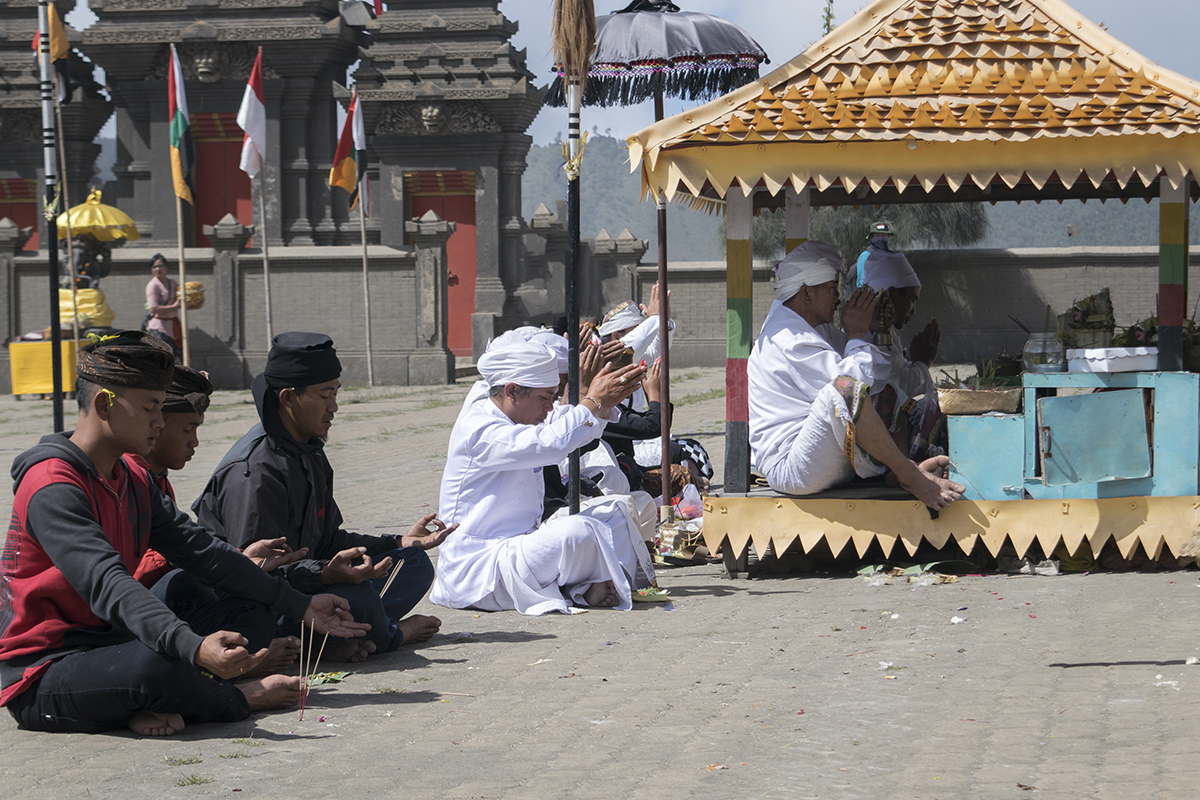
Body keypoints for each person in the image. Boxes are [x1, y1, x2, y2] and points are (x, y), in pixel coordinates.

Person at [0, 331, 368, 736]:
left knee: (246, 611)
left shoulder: (131, 478)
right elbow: (108, 583)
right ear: (105, 404)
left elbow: (203, 551)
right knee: (159, 664)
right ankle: (239, 697)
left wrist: (301, 605)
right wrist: (193, 647)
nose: (160, 421)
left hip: (111, 644)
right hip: (45, 670)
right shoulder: (52, 484)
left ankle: (154, 701)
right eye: (150, 407)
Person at [193, 332, 453, 663]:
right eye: (324, 395)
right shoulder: (255, 473)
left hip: (314, 582)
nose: (334, 406)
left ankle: (346, 635)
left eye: (335, 393)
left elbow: (329, 539)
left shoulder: (309, 450)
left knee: (413, 561)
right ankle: (390, 633)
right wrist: (326, 575)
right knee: (357, 600)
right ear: (288, 398)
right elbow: (257, 576)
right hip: (266, 604)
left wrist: (399, 540)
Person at [431, 339, 656, 615]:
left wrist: (604, 402)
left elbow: (567, 423)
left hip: (520, 549)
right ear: (512, 391)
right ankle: (586, 586)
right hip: (480, 569)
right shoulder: (479, 430)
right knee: (576, 532)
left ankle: (590, 585)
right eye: (545, 397)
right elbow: (550, 443)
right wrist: (593, 401)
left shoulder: (523, 417)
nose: (550, 407)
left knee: (616, 512)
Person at [747, 241, 963, 509]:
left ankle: (898, 470)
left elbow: (862, 367)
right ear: (806, 294)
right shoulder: (788, 337)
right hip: (793, 467)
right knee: (845, 391)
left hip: (819, 454)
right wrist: (857, 334)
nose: (838, 297)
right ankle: (911, 476)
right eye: (831, 289)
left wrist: (868, 330)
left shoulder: (813, 327)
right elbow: (851, 384)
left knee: (886, 391)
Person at [145, 253, 181, 357]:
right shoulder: (152, 285)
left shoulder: (173, 283)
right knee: (164, 357)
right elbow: (153, 308)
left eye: (160, 266)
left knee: (177, 357)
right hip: (159, 328)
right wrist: (174, 307)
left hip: (173, 326)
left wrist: (195, 304)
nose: (157, 269)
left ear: (166, 267)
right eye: (154, 266)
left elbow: (180, 302)